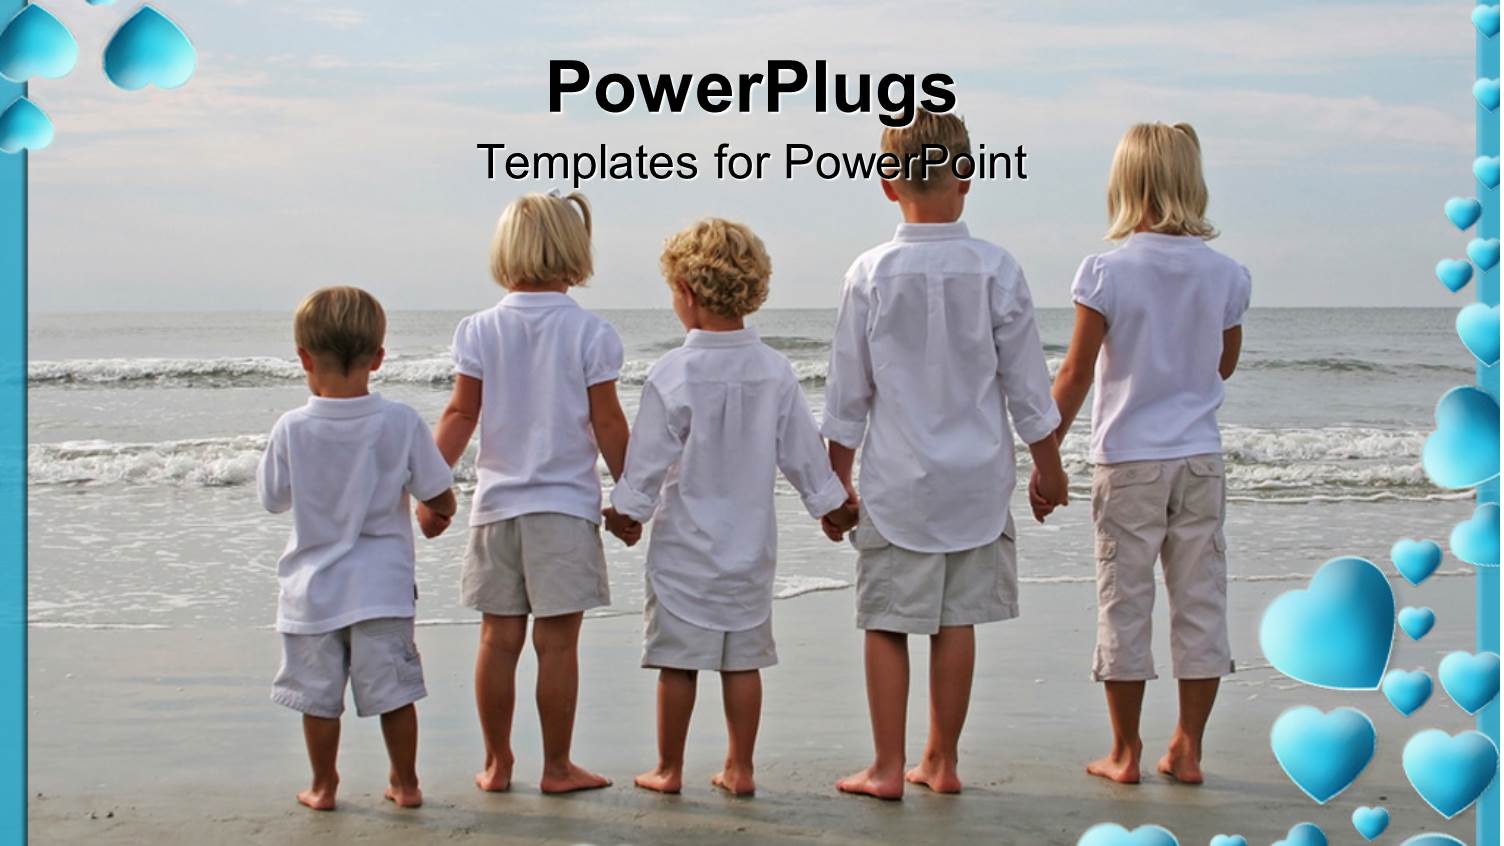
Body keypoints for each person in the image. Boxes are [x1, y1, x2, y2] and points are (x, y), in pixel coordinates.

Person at [822, 110, 1069, 799]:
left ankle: (884, 766)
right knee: (955, 621)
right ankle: (942, 760)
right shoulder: (996, 268)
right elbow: (1027, 386)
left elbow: (847, 393)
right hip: (978, 482)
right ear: (967, 176)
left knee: (887, 622)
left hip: (898, 481)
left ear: (886, 185)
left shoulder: (869, 273)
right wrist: (1048, 468)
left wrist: (834, 483)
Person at [604, 218, 857, 797]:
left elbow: (644, 463)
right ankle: (740, 768)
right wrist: (831, 505)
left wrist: (626, 514)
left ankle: (669, 769)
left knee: (679, 663)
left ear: (687, 294)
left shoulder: (673, 373)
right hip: (749, 549)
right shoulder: (774, 371)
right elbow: (802, 454)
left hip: (683, 550)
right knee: (743, 662)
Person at [1036, 122, 1250, 785]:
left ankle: (1125, 752)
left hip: (1128, 461)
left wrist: (1047, 456)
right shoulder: (1227, 274)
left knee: (1124, 604)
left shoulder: (1106, 271)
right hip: (1199, 461)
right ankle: (1187, 748)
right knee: (1201, 604)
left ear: (1125, 185)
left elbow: (1074, 373)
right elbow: (1224, 364)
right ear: (1193, 181)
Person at [427, 190, 630, 794]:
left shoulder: (480, 330)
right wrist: (634, 496)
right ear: (575, 252)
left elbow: (461, 414)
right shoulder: (591, 333)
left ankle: (497, 763)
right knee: (558, 644)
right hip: (565, 510)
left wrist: (431, 488)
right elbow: (609, 423)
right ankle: (558, 767)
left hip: (496, 509)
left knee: (498, 637)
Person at [258, 286, 457, 811]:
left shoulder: (291, 429)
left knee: (319, 699)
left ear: (303, 357)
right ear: (378, 358)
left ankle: (323, 786)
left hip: (313, 592)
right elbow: (438, 491)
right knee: (395, 693)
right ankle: (406, 782)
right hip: (383, 588)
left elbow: (272, 499)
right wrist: (438, 512)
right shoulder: (399, 421)